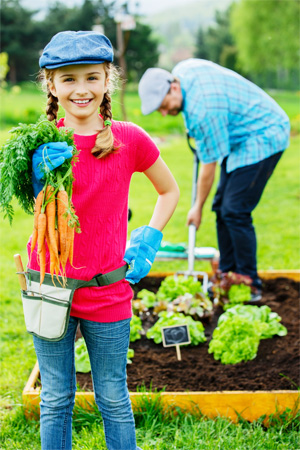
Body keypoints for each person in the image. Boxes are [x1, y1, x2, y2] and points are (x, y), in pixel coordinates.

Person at [28, 30, 179, 450]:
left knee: (113, 395)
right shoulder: (37, 141)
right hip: (50, 285)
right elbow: (22, 201)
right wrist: (37, 175)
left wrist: (148, 238)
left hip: (108, 288)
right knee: (56, 397)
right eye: (69, 79)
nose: (81, 89)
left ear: (107, 80)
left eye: (92, 77)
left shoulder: (129, 139)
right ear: (51, 84)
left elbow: (169, 190)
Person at [138, 59, 290, 298]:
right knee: (222, 207)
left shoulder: (204, 110)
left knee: (236, 210)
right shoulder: (182, 72)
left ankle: (249, 281)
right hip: (239, 138)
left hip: (264, 133)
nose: (165, 113)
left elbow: (209, 167)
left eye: (163, 105)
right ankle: (227, 273)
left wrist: (196, 207)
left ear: (173, 88)